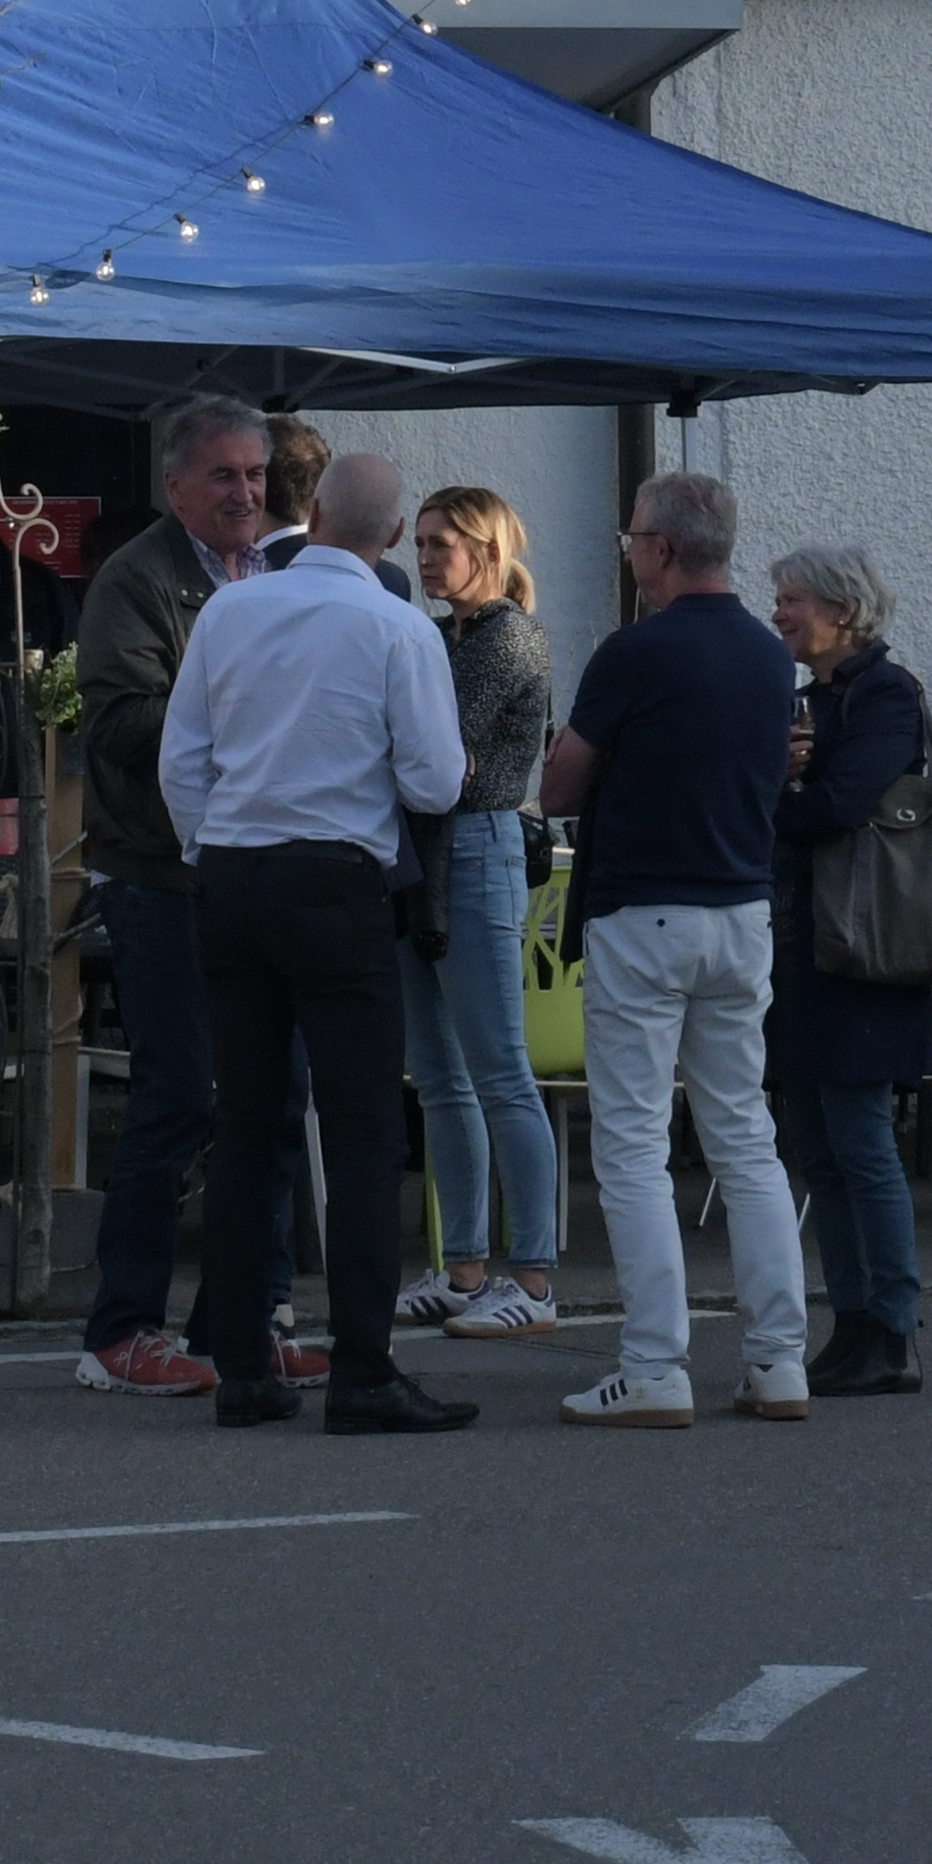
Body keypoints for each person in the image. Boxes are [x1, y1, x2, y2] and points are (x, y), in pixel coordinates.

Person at [157, 441, 473, 1434]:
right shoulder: (396, 626)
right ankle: (363, 1367)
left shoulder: (231, 608)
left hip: (236, 875)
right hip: (338, 881)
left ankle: (243, 1365)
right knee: (363, 1128)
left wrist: (214, 844)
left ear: (316, 513)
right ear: (387, 532)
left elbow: (181, 760)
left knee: (246, 1125)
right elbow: (433, 781)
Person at [541, 467, 812, 1425]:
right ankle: (779, 1360)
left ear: (658, 549)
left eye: (630, 541)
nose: (628, 554)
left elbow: (561, 788)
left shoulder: (633, 654)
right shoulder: (768, 654)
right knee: (746, 1139)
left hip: (644, 912)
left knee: (632, 1148)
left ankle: (655, 1366)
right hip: (740, 912)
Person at [67, 396, 282, 1397]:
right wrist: (235, 705)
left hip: (258, 865)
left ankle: (242, 1322)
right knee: (178, 1093)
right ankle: (122, 1329)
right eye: (224, 475)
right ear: (176, 485)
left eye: (255, 474)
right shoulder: (137, 578)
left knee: (268, 1098)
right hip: (158, 873)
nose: (245, 492)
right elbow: (113, 722)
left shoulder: (277, 573)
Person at [769, 548, 932, 1398]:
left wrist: (780, 783)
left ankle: (891, 1326)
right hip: (813, 946)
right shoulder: (821, 697)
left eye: (791, 599)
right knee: (820, 1145)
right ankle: (850, 1325)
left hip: (866, 947)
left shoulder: (885, 693)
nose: (778, 614)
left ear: (842, 611)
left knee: (860, 1142)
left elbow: (840, 805)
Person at [399, 486, 567, 1340]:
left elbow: (437, 746)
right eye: (421, 542)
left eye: (442, 544)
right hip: (424, 854)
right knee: (438, 1077)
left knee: (500, 1070)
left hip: (477, 848)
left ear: (488, 553)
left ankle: (532, 1278)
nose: (426, 558)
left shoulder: (508, 637)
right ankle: (463, 1268)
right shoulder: (439, 635)